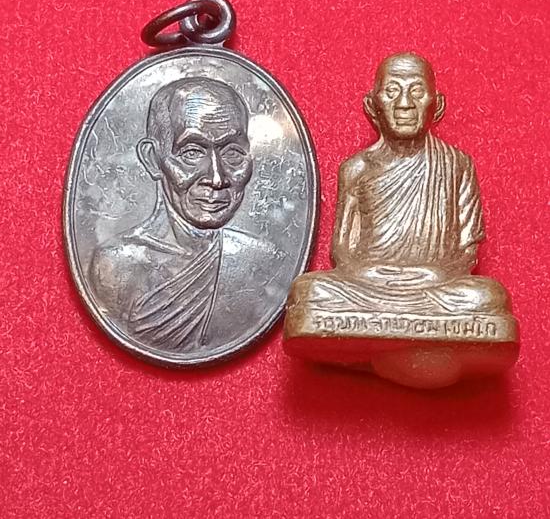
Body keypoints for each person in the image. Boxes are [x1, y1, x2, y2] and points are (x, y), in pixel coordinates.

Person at [285, 53, 517, 387]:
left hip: (437, 287)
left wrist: (431, 274)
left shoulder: (457, 165)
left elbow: (467, 251)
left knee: (488, 296)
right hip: (368, 286)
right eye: (392, 91)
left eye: (416, 91)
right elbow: (342, 251)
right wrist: (372, 274)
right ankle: (404, 340)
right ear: (372, 106)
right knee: (311, 290)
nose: (405, 103)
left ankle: (381, 340)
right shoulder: (356, 169)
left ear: (437, 105)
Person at [89, 77, 265, 352]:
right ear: (152, 159)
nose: (217, 178)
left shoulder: (261, 261)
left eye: (232, 153)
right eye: (192, 152)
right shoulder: (116, 265)